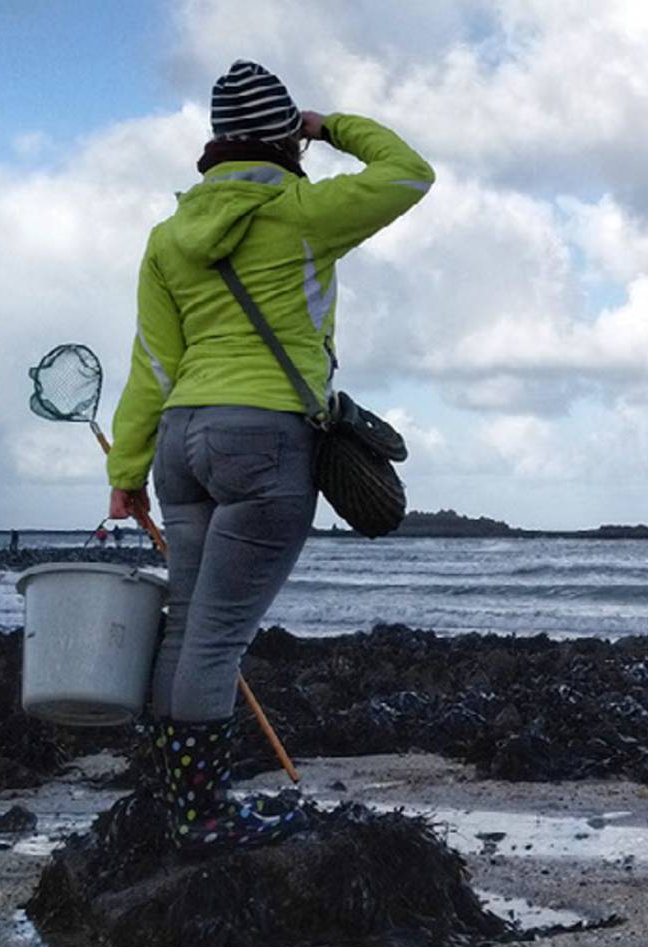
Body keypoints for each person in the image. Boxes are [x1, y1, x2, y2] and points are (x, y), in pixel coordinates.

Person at [106, 59, 432, 852]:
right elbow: (408, 173)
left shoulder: (166, 238)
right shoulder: (305, 211)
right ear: (286, 139)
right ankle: (203, 816)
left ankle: (178, 801)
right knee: (216, 638)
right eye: (296, 134)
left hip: (182, 442)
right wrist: (329, 126)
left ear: (216, 144)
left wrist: (125, 475)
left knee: (186, 627)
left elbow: (152, 361)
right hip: (264, 437)